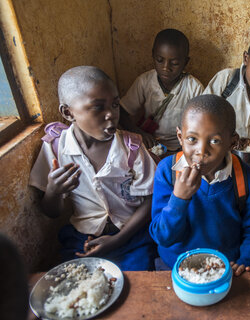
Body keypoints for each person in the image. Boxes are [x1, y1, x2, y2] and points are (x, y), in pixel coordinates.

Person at [29, 66, 157, 271]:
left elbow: (151, 199)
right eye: (98, 107)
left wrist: (118, 240)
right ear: (68, 112)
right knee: (78, 283)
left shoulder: (131, 147)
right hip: (82, 239)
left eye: (115, 105)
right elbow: (50, 212)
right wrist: (53, 190)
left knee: (136, 282)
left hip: (132, 236)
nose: (111, 115)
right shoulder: (56, 148)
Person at [150, 94, 250, 276]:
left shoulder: (246, 179)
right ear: (180, 137)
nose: (201, 151)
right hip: (174, 267)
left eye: (214, 141)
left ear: (232, 142)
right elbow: (162, 237)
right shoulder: (168, 171)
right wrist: (179, 199)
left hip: (224, 269)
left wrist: (246, 260)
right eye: (192, 139)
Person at [120, 29, 204, 151]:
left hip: (181, 146)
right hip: (149, 143)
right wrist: (139, 133)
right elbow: (122, 112)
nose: (166, 68)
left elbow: (202, 123)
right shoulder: (145, 81)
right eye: (160, 60)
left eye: (174, 63)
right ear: (153, 55)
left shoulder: (194, 88)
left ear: (185, 62)